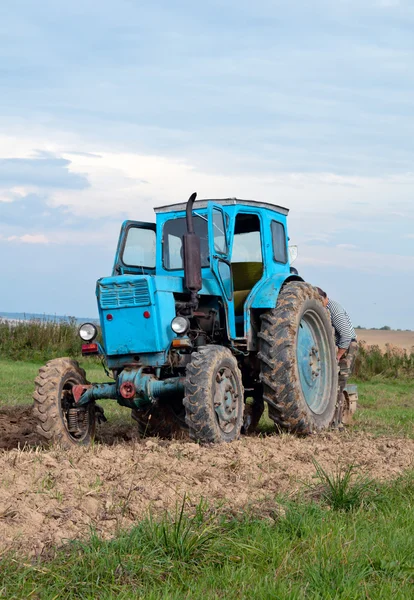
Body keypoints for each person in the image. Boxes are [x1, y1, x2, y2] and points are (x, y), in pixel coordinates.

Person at [316, 287, 358, 426]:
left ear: (323, 298)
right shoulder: (327, 308)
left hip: (346, 347)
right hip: (339, 346)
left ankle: (337, 423)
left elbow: (346, 335)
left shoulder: (334, 309)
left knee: (339, 383)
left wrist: (338, 356)